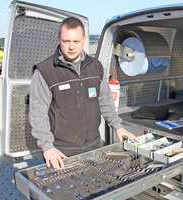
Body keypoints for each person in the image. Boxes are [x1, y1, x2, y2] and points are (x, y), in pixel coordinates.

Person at [29, 17, 137, 170]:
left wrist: (117, 126)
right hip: (62, 152)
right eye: (66, 41)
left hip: (94, 145)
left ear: (84, 39)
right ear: (59, 38)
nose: (71, 47)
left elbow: (105, 100)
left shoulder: (96, 67)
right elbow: (37, 113)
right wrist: (47, 147)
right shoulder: (45, 72)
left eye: (76, 41)